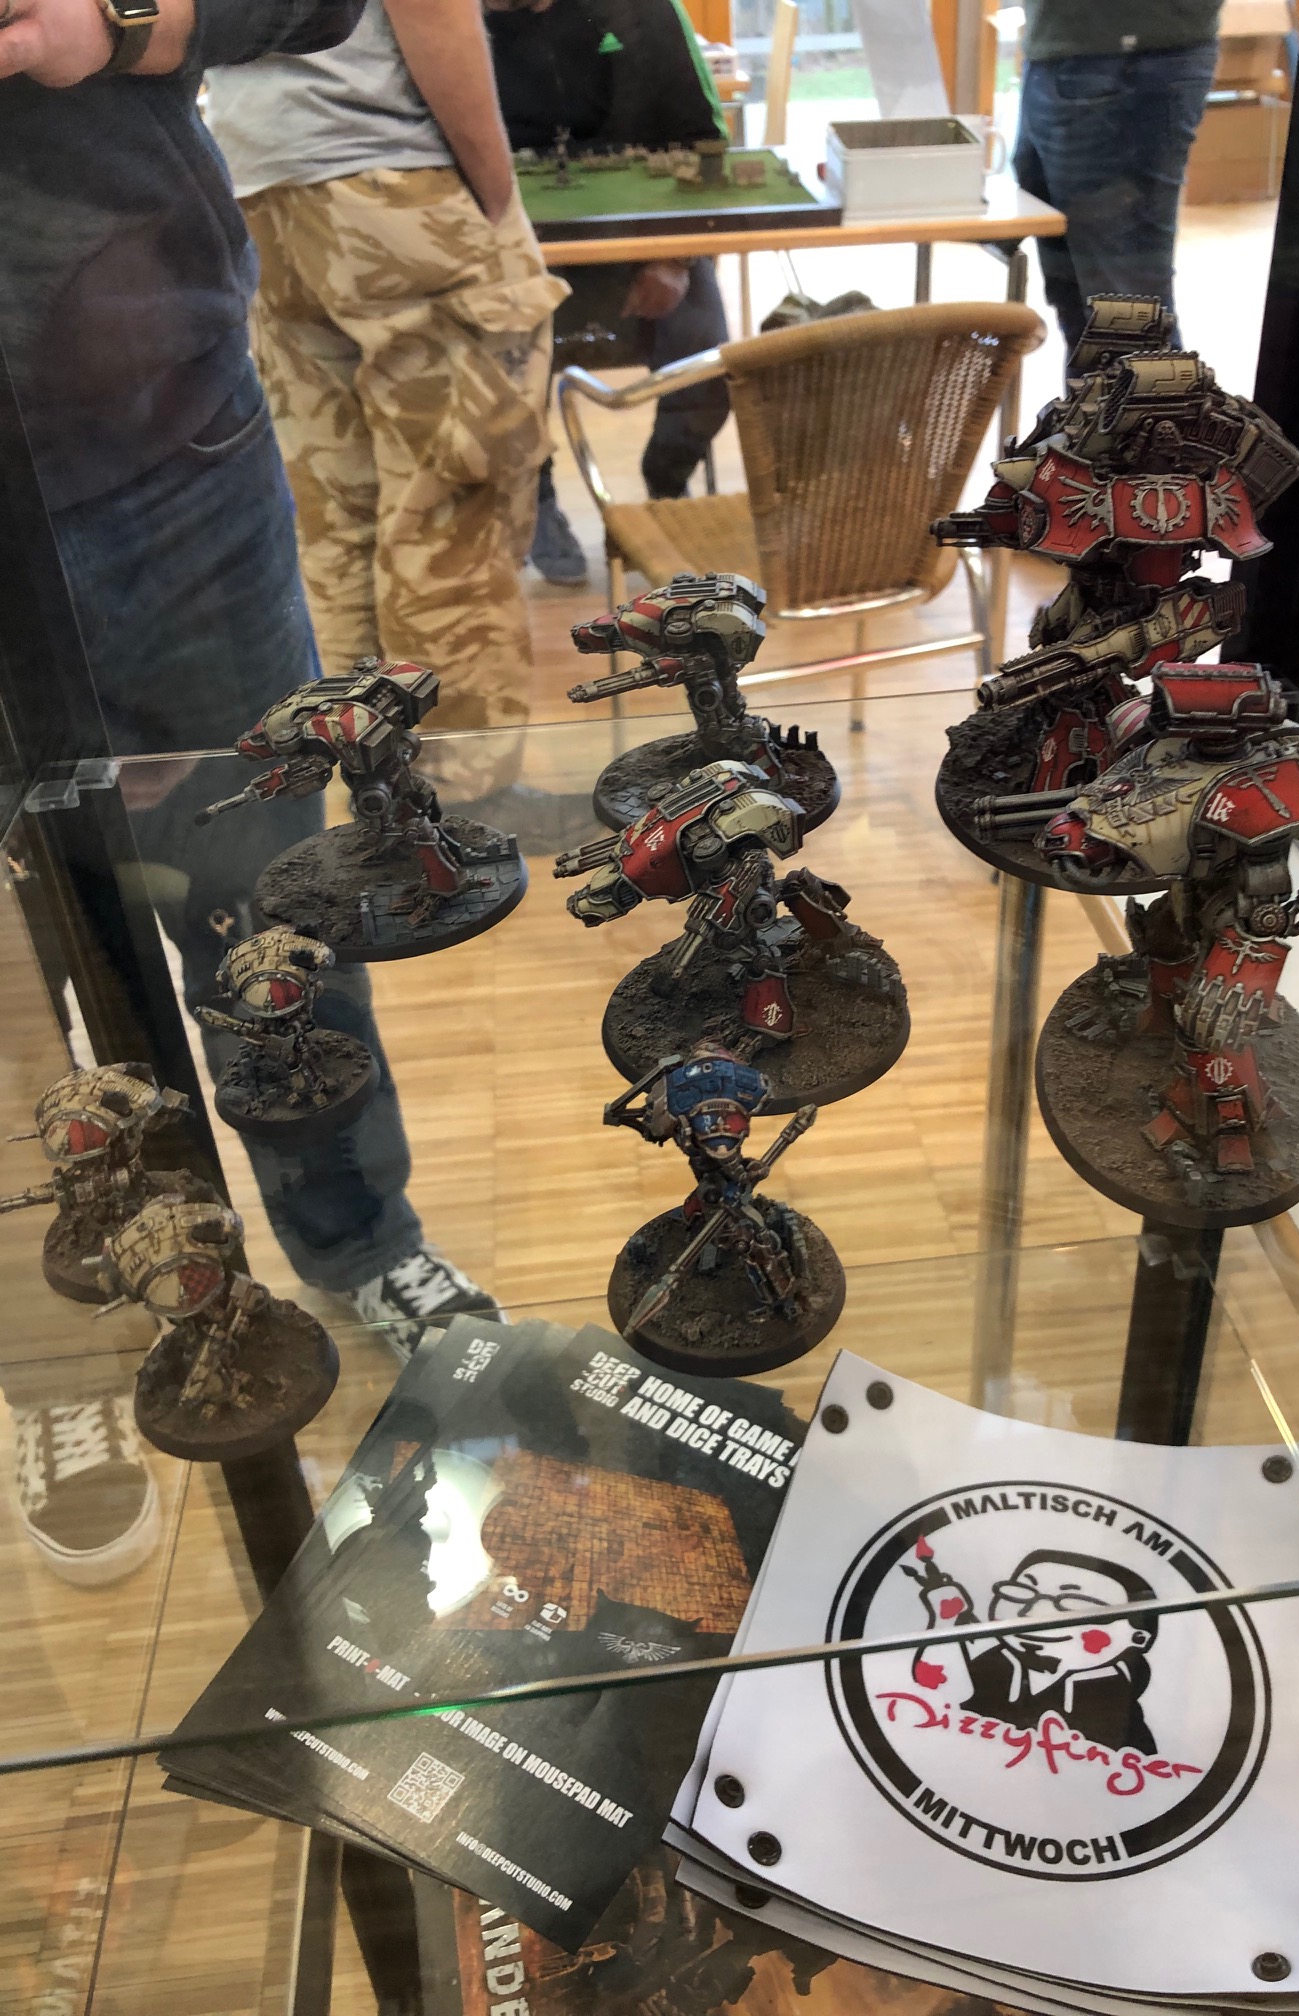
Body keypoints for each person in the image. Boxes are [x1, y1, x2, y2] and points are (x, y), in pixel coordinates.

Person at [0, 0, 503, 1586]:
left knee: (267, 899)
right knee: (17, 983)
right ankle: (57, 1355)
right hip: (141, 399)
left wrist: (119, 20)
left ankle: (361, 1240)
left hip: (160, 441)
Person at [204, 0, 567, 741]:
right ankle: (463, 789)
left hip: (260, 178)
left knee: (339, 510)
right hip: (392, 172)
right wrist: (496, 196)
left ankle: (373, 776)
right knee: (453, 509)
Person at [484, 0, 733, 585]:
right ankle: (535, 495)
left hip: (644, 245)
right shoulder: (452, 19)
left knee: (707, 362)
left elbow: (705, 139)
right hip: (511, 250)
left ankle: (666, 486)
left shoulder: (648, 9)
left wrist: (673, 257)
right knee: (490, 361)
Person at [1012, 0, 1221, 351]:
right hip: (1069, 49)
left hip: (1121, 55)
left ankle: (1142, 388)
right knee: (1084, 301)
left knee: (1126, 310)